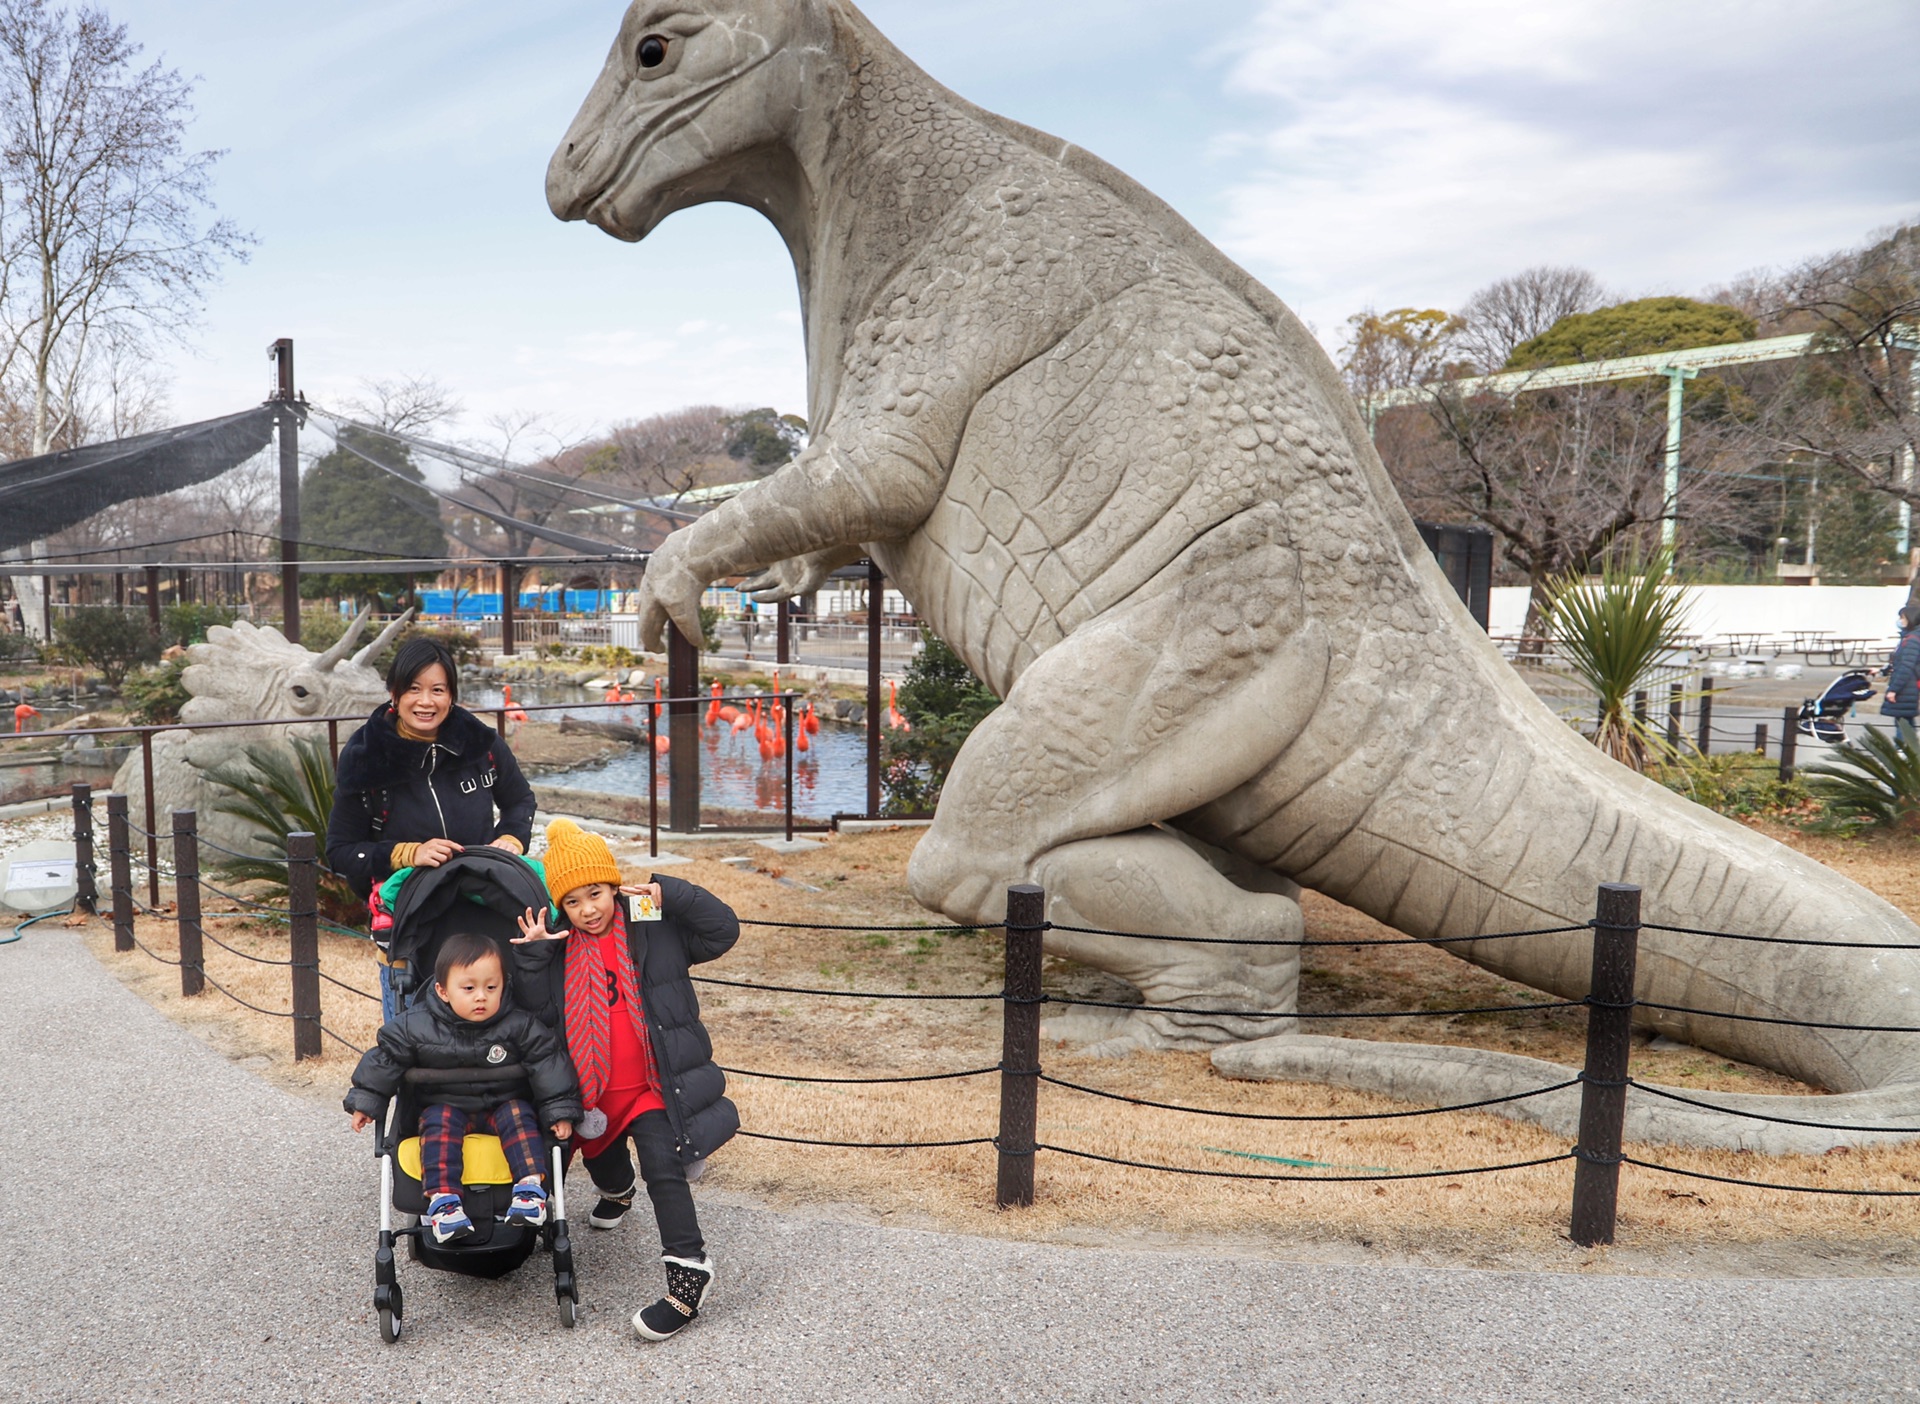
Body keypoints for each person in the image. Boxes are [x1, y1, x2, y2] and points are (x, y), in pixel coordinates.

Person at [512, 818, 740, 1342]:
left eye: (595, 893)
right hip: (592, 1096)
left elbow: (721, 930)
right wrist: (532, 957)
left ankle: (688, 1275)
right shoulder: (560, 948)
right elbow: (538, 1015)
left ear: (614, 886)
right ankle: (617, 1194)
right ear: (560, 907)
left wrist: (672, 892)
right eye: (573, 901)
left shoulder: (650, 923)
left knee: (664, 1169)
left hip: (651, 1089)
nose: (588, 909)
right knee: (606, 1166)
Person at [327, 637, 536, 1020]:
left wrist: (510, 838)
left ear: (452, 695)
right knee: (415, 1041)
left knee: (492, 1028)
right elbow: (340, 850)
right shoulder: (365, 758)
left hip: (483, 913)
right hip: (410, 928)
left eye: (438, 690)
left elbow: (520, 800)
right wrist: (408, 853)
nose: (426, 702)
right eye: (414, 689)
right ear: (394, 693)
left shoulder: (481, 744)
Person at [344, 931, 581, 1245]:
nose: (481, 996)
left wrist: (559, 1111)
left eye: (491, 987)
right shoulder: (416, 1025)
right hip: (446, 1105)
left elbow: (548, 1060)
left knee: (520, 1114)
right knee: (436, 1122)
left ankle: (529, 1190)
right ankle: (444, 1202)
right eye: (469, 988)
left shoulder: (518, 1023)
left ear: (504, 985)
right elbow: (385, 1058)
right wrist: (366, 1100)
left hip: (501, 1103)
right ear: (442, 991)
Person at [1881, 607, 1920, 750]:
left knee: (1903, 725)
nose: (1900, 621)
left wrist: (1893, 690)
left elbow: (1906, 667)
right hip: (1908, 687)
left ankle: (1904, 755)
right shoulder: (1909, 638)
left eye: (1903, 618)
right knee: (1907, 722)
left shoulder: (1911, 640)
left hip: (1905, 688)